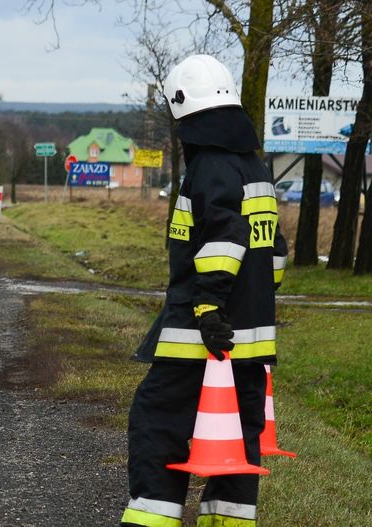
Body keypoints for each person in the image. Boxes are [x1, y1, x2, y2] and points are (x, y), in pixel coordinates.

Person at [121, 55, 287, 527]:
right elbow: (274, 252)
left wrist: (211, 305)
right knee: (236, 443)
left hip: (201, 334)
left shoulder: (210, 166)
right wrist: (253, 303)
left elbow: (225, 235)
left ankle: (153, 520)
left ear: (184, 111)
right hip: (252, 341)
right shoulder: (255, 167)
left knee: (157, 424)